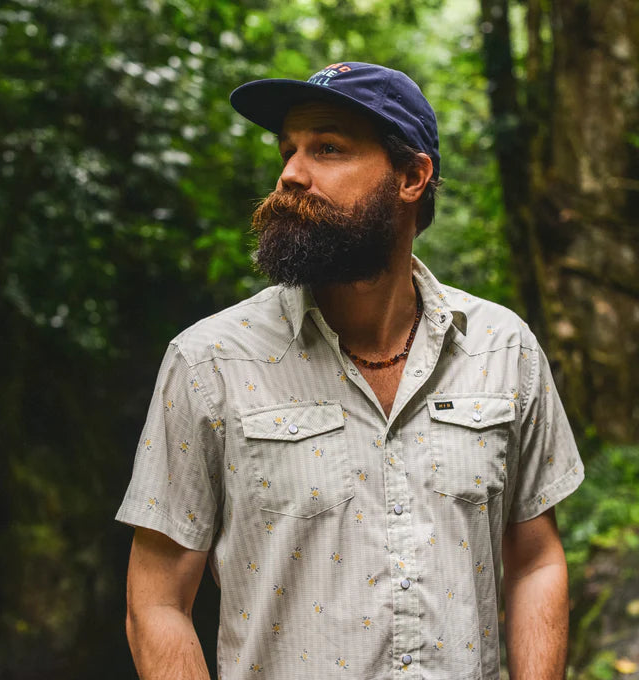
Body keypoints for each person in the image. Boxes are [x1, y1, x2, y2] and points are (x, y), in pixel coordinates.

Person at [116, 62, 584, 680]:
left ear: (413, 177)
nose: (290, 174)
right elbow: (156, 603)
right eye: (288, 150)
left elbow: (536, 560)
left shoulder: (503, 349)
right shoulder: (209, 362)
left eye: (328, 148)